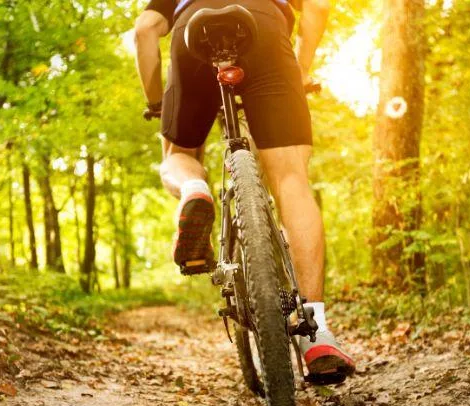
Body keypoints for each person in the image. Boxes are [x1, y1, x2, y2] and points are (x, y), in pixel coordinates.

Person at [134, 0, 355, 381]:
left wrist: (157, 101)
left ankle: (193, 189)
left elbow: (144, 31)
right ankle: (316, 331)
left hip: (193, 31)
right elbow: (318, 7)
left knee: (178, 154)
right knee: (291, 179)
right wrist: (299, 71)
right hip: (265, 29)